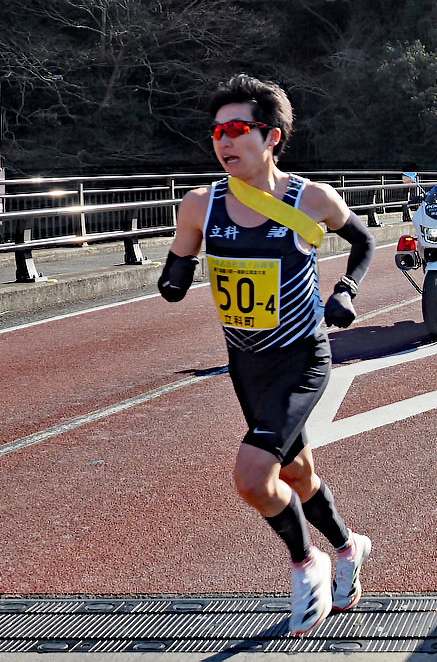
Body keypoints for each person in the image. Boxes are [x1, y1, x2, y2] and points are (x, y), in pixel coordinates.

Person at [156, 74, 375, 635]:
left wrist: (345, 290)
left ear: (271, 136)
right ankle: (349, 549)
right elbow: (176, 270)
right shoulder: (200, 205)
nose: (223, 142)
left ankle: (308, 564)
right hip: (246, 366)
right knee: (297, 472)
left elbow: (364, 242)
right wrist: (176, 274)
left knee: (255, 477)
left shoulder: (310, 199)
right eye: (216, 132)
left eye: (236, 130)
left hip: (302, 358)